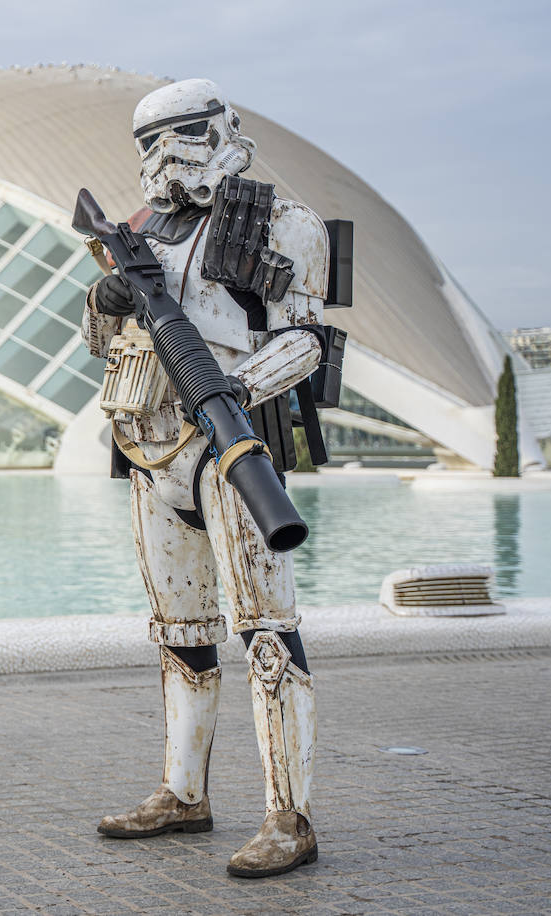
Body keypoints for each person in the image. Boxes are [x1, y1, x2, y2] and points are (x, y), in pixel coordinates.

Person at [83, 78, 329, 878]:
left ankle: (288, 816)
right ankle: (182, 793)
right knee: (181, 637)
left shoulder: (287, 224)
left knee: (266, 632)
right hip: (150, 450)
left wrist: (233, 394)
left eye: (183, 132)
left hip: (234, 448)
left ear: (223, 130)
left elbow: (308, 341)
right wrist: (107, 296)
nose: (164, 154)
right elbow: (103, 336)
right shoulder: (135, 231)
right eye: (148, 141)